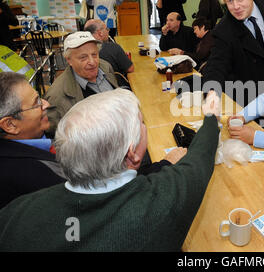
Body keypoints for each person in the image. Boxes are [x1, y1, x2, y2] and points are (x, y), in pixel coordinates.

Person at [0, 89, 221, 251]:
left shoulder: (16, 212)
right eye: (141, 123)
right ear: (132, 153)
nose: (144, 127)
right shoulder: (162, 203)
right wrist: (211, 117)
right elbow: (199, 159)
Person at [0, 72, 65, 209]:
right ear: (10, 124)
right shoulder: (32, 176)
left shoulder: (39, 136)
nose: (46, 104)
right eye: (37, 103)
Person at [44, 32, 118, 136]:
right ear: (69, 60)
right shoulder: (57, 97)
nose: (92, 62)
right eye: (83, 57)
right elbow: (59, 139)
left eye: (94, 55)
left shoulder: (105, 66)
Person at [84, 19, 134, 87]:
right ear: (100, 33)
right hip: (118, 89)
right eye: (106, 29)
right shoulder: (113, 47)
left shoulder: (82, 52)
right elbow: (130, 69)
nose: (108, 30)